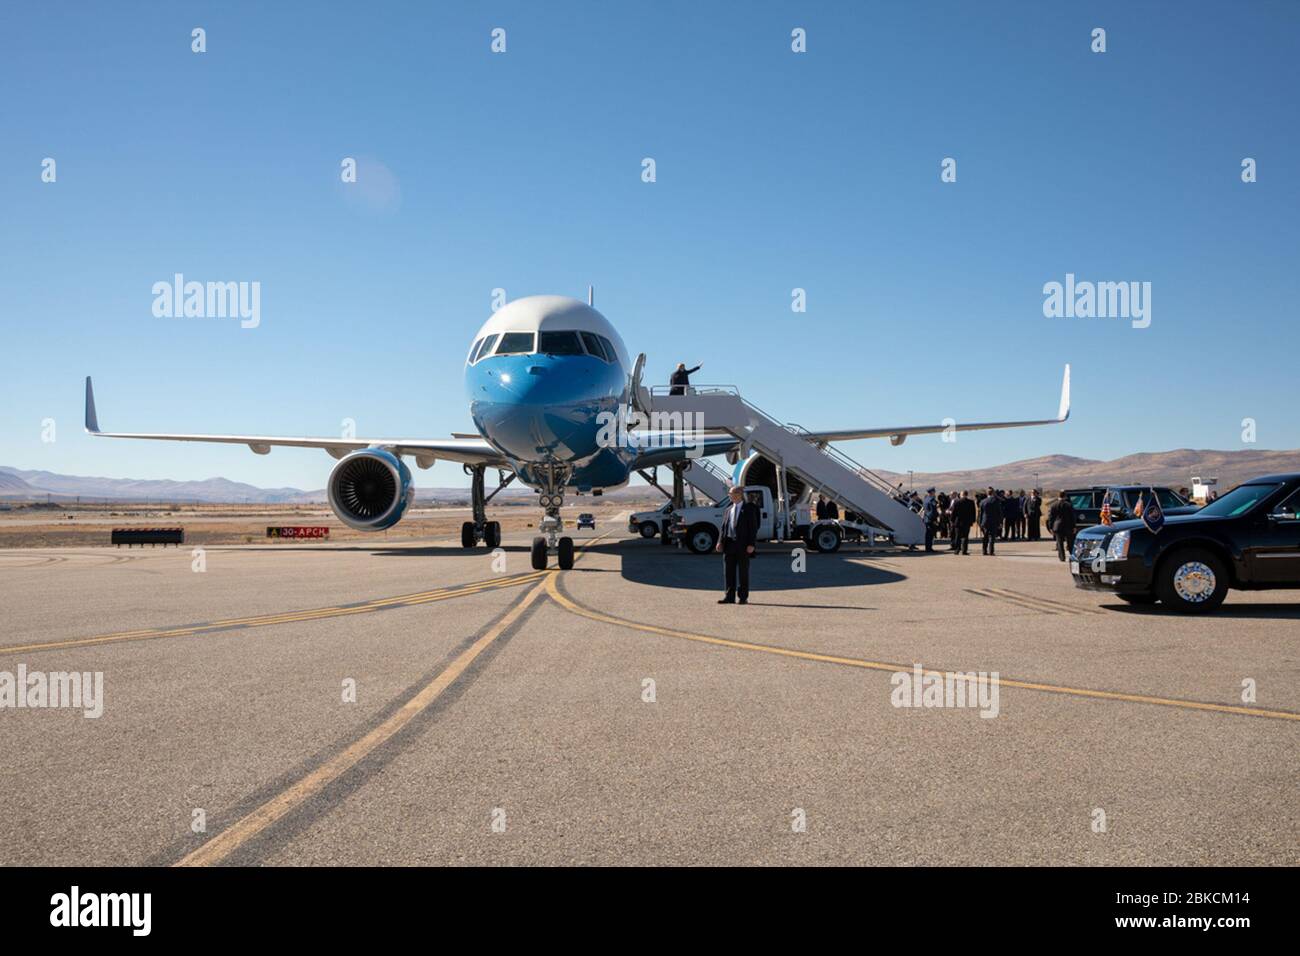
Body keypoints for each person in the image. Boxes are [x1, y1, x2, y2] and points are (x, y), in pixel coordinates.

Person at [716, 484, 759, 604]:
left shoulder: (749, 509)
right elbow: (723, 528)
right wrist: (720, 542)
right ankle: (729, 596)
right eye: (729, 494)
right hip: (729, 544)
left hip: (743, 545)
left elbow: (753, 528)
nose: (730, 496)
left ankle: (743, 597)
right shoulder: (728, 510)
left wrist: (751, 544)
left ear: (739, 495)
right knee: (728, 572)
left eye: (732, 494)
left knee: (743, 572)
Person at [1046, 492, 1077, 562]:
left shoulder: (1053, 505)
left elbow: (1051, 517)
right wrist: (1074, 526)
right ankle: (1072, 556)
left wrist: (1050, 527)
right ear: (1065, 496)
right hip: (1068, 526)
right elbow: (1072, 517)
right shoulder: (1068, 505)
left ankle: (1062, 557)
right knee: (1070, 543)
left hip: (1057, 527)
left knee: (1059, 543)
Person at [979, 486, 1003, 555]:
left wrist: (980, 522)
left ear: (987, 493)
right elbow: (999, 512)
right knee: (992, 537)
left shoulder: (983, 501)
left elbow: (980, 513)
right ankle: (991, 551)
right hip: (994, 521)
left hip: (985, 521)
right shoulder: (996, 501)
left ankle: (984, 551)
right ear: (993, 493)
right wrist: (1000, 522)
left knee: (985, 537)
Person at [951, 490, 976, 555]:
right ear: (966, 495)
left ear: (961, 495)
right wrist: (973, 521)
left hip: (958, 522)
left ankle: (957, 550)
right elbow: (973, 512)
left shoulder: (957, 502)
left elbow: (954, 513)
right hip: (967, 522)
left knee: (957, 536)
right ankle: (964, 551)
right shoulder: (971, 502)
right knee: (965, 537)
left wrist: (952, 520)